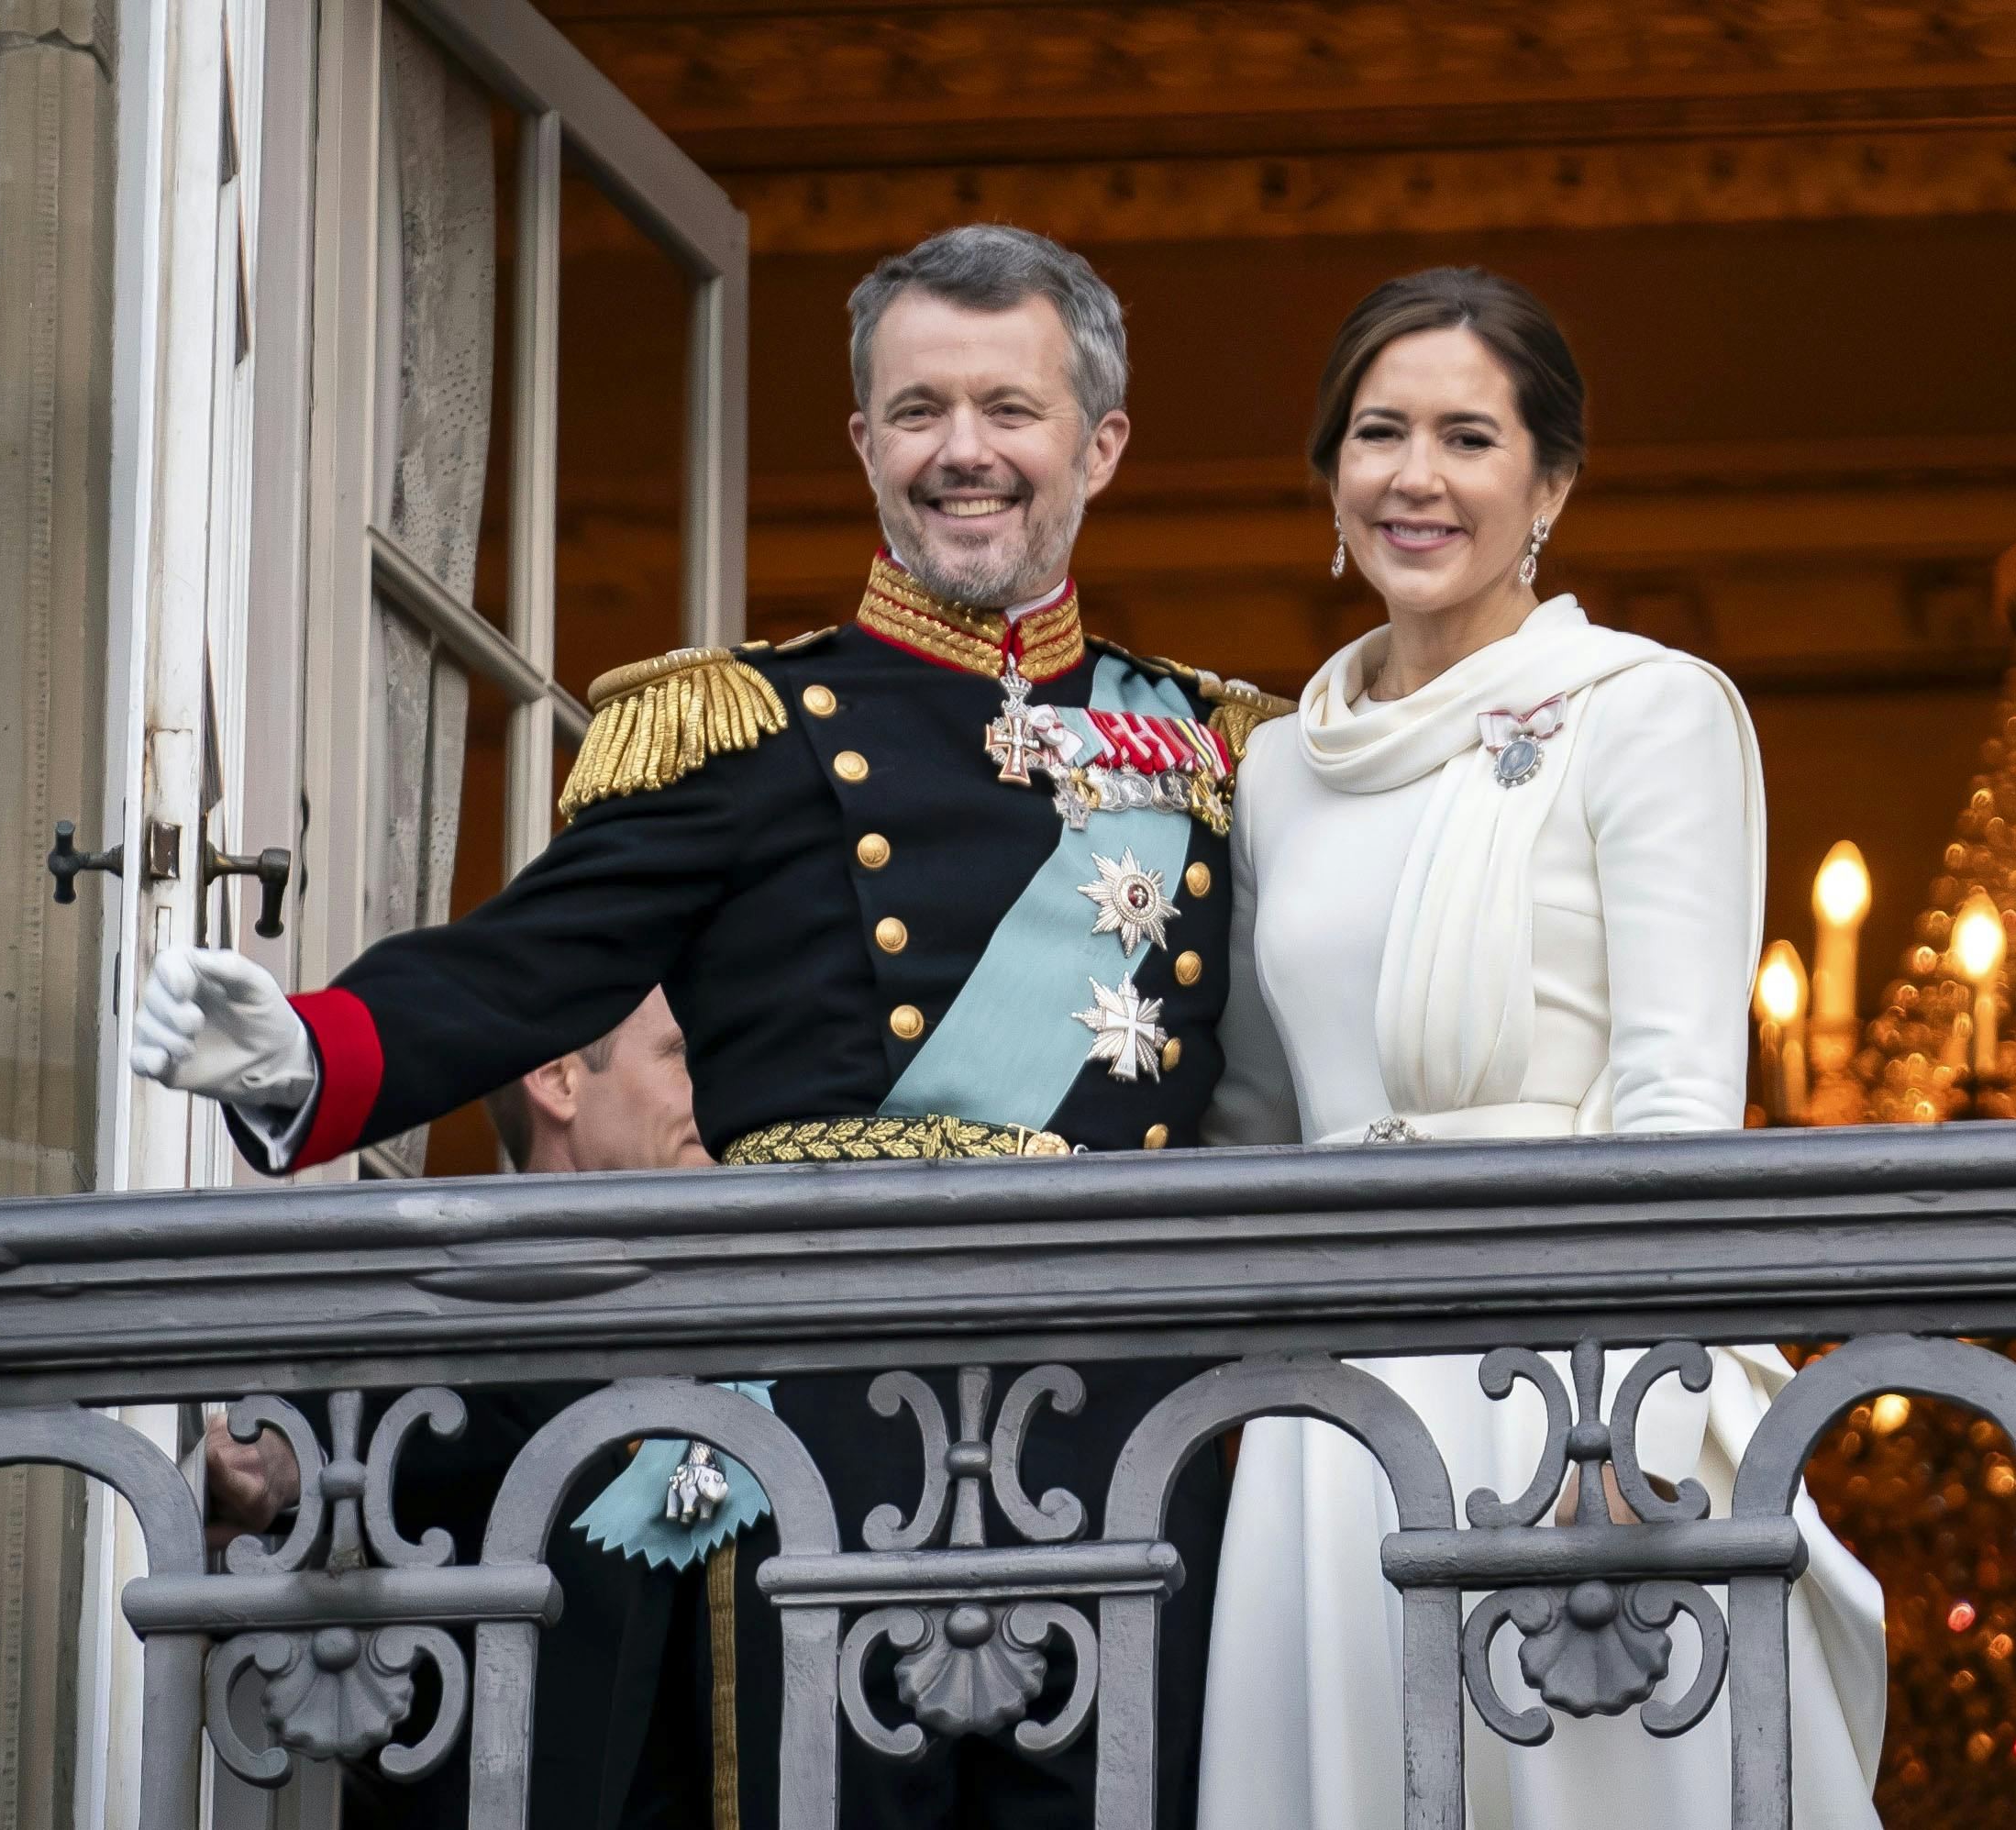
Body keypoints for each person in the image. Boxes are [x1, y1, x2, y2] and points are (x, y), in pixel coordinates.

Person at [140, 223, 1285, 1828]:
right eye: (917, 410)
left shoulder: (1218, 757)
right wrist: (312, 1052)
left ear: (1096, 444)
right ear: (862, 445)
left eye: (1008, 411)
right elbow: (527, 963)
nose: (963, 452)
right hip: (829, 1440)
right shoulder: (747, 728)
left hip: (1122, 1432)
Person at [1196, 268, 1887, 1829]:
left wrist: (1621, 1425)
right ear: (1329, 474)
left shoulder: (1643, 712)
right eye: (1376, 433)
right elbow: (1250, 1115)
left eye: (1464, 436)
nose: (1412, 478)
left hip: (1562, 1388)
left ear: (1548, 482)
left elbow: (1673, 1097)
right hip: (1330, 1405)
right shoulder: (1280, 769)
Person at [204, 989, 716, 1828]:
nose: (715, 1092)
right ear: (556, 1077)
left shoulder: (732, 1316)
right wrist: (271, 1463)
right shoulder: (452, 1292)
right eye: (680, 1055)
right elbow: (375, 1411)